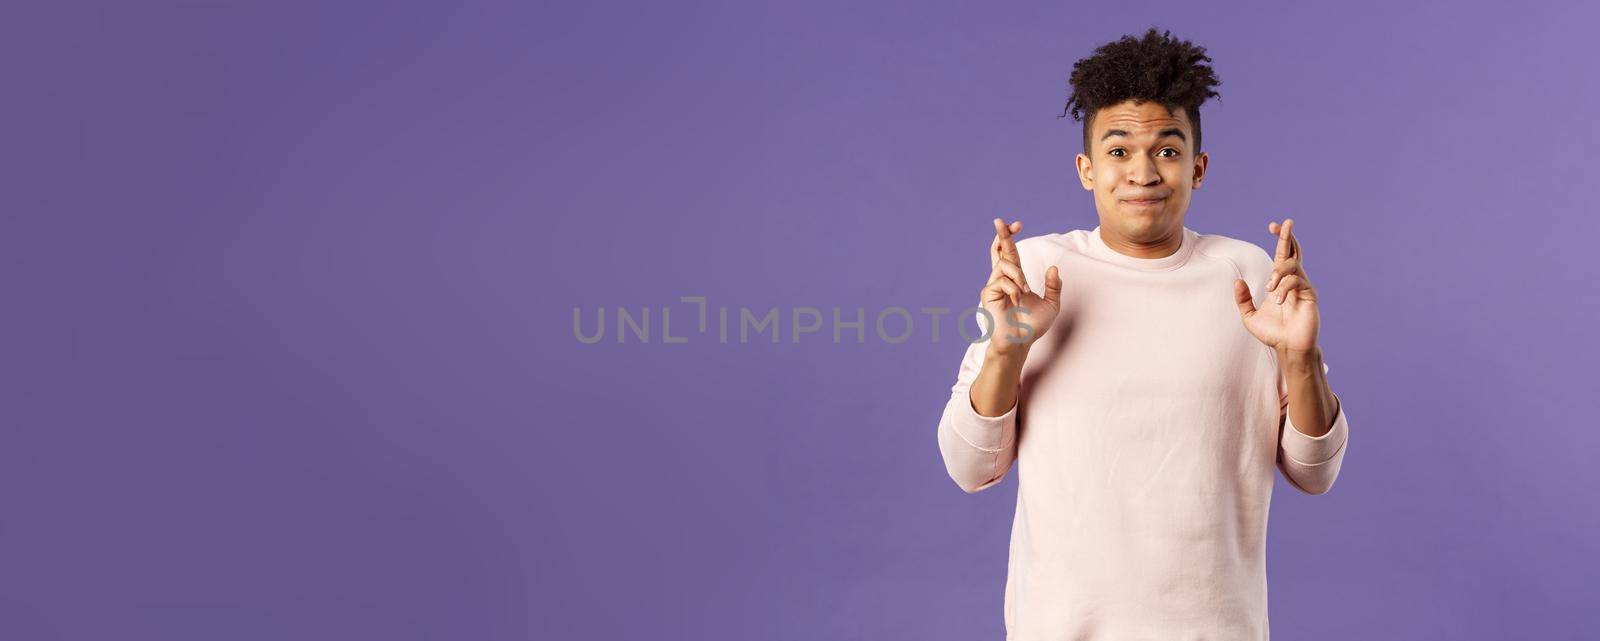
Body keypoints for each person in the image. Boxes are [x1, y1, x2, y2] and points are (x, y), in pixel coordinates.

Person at [935, 28, 1350, 640]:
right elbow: (969, 467)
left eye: (1167, 150)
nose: (1143, 172)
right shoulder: (1039, 272)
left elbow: (1315, 473)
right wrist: (1007, 349)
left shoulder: (1249, 275)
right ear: (1086, 169)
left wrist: (1301, 357)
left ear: (1198, 168)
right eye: (1119, 150)